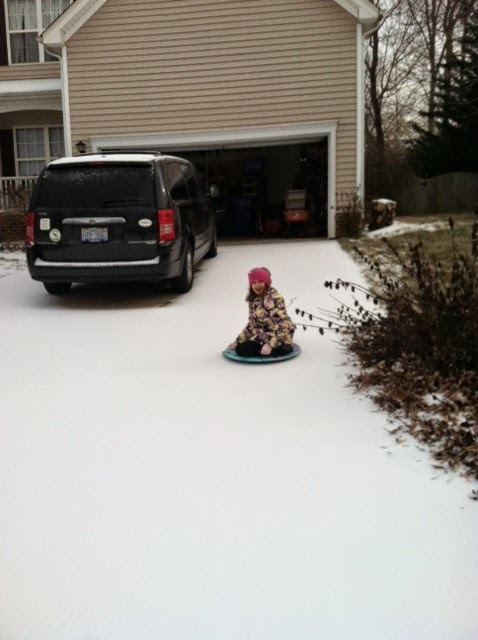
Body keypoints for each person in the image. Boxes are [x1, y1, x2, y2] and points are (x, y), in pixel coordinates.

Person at [228, 267, 296, 357]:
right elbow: (252, 325)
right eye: (254, 282)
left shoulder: (275, 298)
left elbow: (283, 324)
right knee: (241, 348)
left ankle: (282, 348)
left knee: (283, 347)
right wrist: (238, 341)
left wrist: (271, 344)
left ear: (266, 282)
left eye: (260, 281)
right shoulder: (253, 300)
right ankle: (263, 349)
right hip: (263, 335)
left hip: (280, 335)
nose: (257, 285)